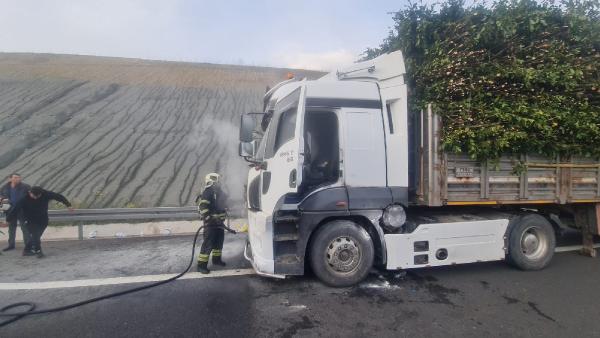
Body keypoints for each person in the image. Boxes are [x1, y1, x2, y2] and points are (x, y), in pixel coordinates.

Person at [8, 186, 72, 258]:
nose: (35, 197)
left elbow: (58, 196)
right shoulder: (24, 199)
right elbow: (15, 209)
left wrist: (68, 205)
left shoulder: (46, 194)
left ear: (41, 193)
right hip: (30, 220)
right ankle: (38, 251)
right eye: (33, 196)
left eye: (37, 196)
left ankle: (26, 250)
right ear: (30, 192)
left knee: (36, 237)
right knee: (36, 236)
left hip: (43, 219)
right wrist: (8, 220)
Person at [195, 173, 228, 274]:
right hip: (210, 224)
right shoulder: (208, 191)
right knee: (208, 244)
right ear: (211, 180)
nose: (218, 181)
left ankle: (216, 260)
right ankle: (201, 266)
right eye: (216, 179)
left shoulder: (218, 192)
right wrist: (209, 218)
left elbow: (222, 205)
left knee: (218, 242)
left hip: (219, 223)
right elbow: (203, 207)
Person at [0, 173, 31, 253]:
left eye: (19, 178)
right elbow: (1, 196)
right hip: (10, 210)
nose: (18, 179)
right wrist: (2, 200)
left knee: (25, 228)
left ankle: (28, 246)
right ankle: (11, 245)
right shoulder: (4, 187)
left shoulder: (26, 187)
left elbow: (31, 197)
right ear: (10, 179)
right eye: (16, 177)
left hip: (22, 210)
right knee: (11, 228)